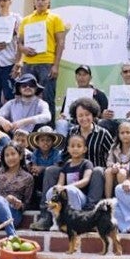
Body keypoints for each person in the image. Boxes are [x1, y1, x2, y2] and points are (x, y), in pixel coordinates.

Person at [30, 98, 110, 231]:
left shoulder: (103, 134)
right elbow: (65, 156)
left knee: (98, 170)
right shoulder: (72, 132)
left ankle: (89, 216)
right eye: (80, 115)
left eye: (87, 114)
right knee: (51, 170)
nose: (84, 118)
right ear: (75, 117)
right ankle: (46, 216)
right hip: (73, 174)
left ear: (93, 115)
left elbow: (110, 156)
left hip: (93, 180)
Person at [14, 0, 67, 105]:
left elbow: (61, 42)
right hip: (28, 65)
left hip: (47, 64)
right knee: (27, 98)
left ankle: (49, 124)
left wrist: (56, 66)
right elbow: (19, 42)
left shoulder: (55, 18)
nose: (41, 2)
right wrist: (23, 50)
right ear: (34, 1)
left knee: (48, 97)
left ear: (49, 1)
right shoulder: (26, 20)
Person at [55, 64, 108, 135]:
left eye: (84, 75)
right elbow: (63, 113)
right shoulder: (70, 94)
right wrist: (62, 116)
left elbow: (105, 115)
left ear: (90, 77)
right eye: (79, 75)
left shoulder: (99, 95)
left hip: (93, 125)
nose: (81, 77)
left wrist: (103, 115)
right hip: (73, 125)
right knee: (61, 123)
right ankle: (63, 146)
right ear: (76, 77)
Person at [99, 61, 130, 135]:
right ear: (121, 74)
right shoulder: (116, 91)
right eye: (125, 72)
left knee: (129, 122)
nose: (128, 74)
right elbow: (110, 112)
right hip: (119, 122)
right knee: (102, 123)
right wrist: (105, 114)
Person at [26, 127, 64, 205]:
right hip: (39, 177)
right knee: (30, 177)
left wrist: (42, 168)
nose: (45, 143)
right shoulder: (36, 153)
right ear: (38, 142)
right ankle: (30, 201)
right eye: (42, 140)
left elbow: (55, 168)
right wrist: (35, 170)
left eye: (48, 140)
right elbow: (34, 167)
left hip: (53, 179)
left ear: (53, 142)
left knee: (49, 172)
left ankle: (46, 202)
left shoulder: (56, 153)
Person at [103, 119, 130, 201]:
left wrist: (123, 166)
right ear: (118, 135)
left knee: (121, 173)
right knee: (108, 171)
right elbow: (109, 161)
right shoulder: (115, 147)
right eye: (122, 133)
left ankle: (124, 200)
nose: (125, 135)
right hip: (116, 172)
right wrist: (113, 165)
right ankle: (108, 200)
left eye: (127, 132)